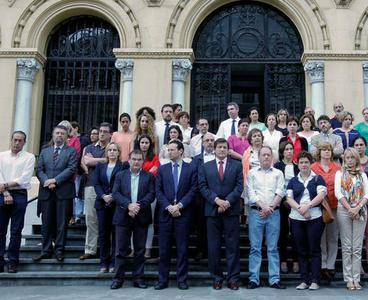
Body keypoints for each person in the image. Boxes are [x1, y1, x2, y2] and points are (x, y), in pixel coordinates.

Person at [199, 138, 243, 290]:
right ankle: (216, 278)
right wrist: (217, 201)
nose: (222, 150)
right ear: (215, 149)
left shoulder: (237, 165)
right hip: (212, 211)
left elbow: (239, 187)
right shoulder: (205, 166)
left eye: (225, 147)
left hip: (231, 211)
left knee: (233, 246)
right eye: (220, 147)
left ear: (227, 149)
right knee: (213, 247)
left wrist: (227, 202)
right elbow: (203, 187)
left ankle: (233, 279)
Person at [110, 150, 155, 290]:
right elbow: (115, 193)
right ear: (129, 160)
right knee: (120, 250)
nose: (136, 162)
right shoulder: (120, 175)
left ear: (143, 161)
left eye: (139, 159)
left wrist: (138, 206)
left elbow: (151, 194)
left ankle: (138, 278)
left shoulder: (148, 177)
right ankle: (118, 279)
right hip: (123, 216)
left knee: (140, 250)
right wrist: (128, 205)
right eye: (134, 159)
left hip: (141, 217)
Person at [155, 140, 197, 290]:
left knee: (182, 248)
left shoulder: (190, 168)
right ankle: (162, 280)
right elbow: (158, 191)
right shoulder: (162, 169)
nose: (169, 152)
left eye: (172, 150)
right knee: (164, 249)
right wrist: (168, 207)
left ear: (181, 151)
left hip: (183, 214)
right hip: (166, 215)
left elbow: (193, 190)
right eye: (168, 150)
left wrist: (179, 205)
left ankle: (182, 280)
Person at [34, 125, 78, 262]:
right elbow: (39, 169)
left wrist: (55, 180)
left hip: (63, 192)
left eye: (62, 134)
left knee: (61, 224)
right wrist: (46, 181)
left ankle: (59, 250)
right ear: (53, 135)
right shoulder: (44, 151)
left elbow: (71, 169)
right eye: (57, 133)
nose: (59, 136)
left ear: (66, 137)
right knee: (46, 223)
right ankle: (46, 250)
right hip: (46, 192)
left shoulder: (71, 151)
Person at [246, 146, 285, 289]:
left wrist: (270, 208)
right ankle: (253, 279)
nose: (266, 157)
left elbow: (281, 191)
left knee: (273, 248)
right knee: (255, 247)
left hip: (273, 214)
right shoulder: (251, 173)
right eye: (264, 155)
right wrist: (264, 207)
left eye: (269, 155)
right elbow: (251, 193)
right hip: (256, 213)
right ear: (259, 157)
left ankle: (274, 279)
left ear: (272, 157)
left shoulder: (278, 173)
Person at [287, 151, 326, 290]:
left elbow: (321, 195)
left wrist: (308, 206)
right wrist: (300, 209)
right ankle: (304, 280)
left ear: (311, 164)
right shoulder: (293, 180)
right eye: (301, 162)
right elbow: (289, 198)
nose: (304, 165)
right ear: (298, 164)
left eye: (306, 162)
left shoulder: (318, 179)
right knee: (301, 250)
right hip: (297, 218)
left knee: (314, 249)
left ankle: (315, 280)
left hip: (314, 217)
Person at [0, 131, 35, 273]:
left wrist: (6, 186)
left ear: (24, 142)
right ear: (11, 140)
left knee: (16, 230)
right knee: (0, 230)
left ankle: (13, 261)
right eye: (15, 140)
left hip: (20, 194)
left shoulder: (29, 157)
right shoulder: (1, 156)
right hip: (2, 194)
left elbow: (24, 179)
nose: (17, 143)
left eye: (20, 141)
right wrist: (6, 192)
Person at [335, 148, 368, 290]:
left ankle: (356, 279)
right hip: (344, 210)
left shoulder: (363, 175)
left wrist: (357, 208)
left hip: (360, 211)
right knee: (347, 247)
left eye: (352, 157)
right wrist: (349, 208)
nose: (349, 160)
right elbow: (337, 192)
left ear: (356, 159)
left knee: (357, 247)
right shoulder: (339, 173)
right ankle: (349, 279)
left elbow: (367, 194)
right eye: (347, 157)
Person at [79, 123, 112, 260]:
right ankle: (90, 249)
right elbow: (86, 162)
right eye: (100, 131)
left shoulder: (112, 148)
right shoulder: (88, 147)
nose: (102, 134)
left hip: (108, 187)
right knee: (91, 219)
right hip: (91, 185)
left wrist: (94, 160)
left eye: (105, 131)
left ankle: (108, 250)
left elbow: (111, 160)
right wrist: (102, 160)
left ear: (110, 134)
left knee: (108, 220)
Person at [93, 142, 126, 273]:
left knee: (115, 233)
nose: (112, 152)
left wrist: (113, 195)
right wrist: (103, 196)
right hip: (102, 203)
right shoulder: (100, 167)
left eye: (114, 150)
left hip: (116, 204)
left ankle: (113, 262)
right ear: (106, 152)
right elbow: (96, 184)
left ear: (118, 152)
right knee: (103, 234)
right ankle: (103, 262)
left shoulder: (123, 166)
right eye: (109, 150)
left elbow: (123, 183)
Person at [311, 143, 341, 281]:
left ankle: (331, 265)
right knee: (321, 237)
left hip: (335, 206)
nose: (326, 152)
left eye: (328, 150)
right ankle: (322, 264)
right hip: (319, 207)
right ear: (319, 152)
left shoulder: (338, 168)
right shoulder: (313, 167)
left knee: (333, 236)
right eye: (324, 150)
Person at [274, 141, 299, 275]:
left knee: (296, 232)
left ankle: (295, 260)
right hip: (282, 203)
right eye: (287, 149)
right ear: (282, 151)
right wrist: (283, 200)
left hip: (296, 203)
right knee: (283, 232)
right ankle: (283, 260)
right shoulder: (277, 166)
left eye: (291, 149)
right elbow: (276, 184)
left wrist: (294, 201)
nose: (289, 151)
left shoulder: (297, 166)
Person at [191, 133, 216, 260]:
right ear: (202, 143)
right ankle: (201, 250)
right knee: (201, 225)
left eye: (212, 140)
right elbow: (193, 178)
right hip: (200, 198)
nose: (210, 142)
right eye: (207, 140)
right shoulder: (196, 159)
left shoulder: (220, 157)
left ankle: (213, 252)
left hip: (217, 197)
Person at [136, 134, 160, 258]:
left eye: (146, 143)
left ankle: (148, 249)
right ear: (138, 144)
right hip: (134, 192)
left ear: (150, 145)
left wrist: (143, 172)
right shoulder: (134, 156)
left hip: (150, 193)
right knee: (134, 221)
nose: (144, 145)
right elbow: (133, 170)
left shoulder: (154, 158)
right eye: (142, 142)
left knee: (149, 222)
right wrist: (148, 171)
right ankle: (134, 249)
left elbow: (154, 174)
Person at [353, 137, 368, 269]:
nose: (359, 147)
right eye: (356, 145)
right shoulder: (350, 163)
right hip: (355, 203)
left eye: (361, 144)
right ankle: (359, 267)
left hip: (366, 200)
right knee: (358, 237)